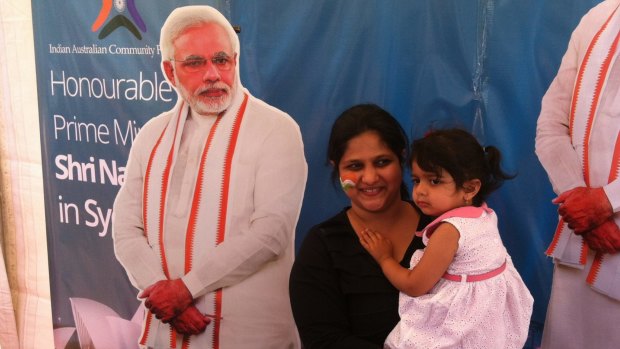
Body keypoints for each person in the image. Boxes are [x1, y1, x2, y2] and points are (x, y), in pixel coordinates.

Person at [112, 5, 307, 348]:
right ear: (170, 72)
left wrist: (185, 289)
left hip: (249, 334)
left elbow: (272, 232)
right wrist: (165, 296)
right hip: (166, 327)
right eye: (195, 63)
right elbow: (126, 228)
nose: (213, 74)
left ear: (235, 60)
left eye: (221, 60)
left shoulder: (276, 129)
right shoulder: (152, 135)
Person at [360, 129, 533, 348]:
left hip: (460, 323)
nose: (420, 191)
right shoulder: (484, 214)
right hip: (489, 321)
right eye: (416, 180)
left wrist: (385, 258)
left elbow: (415, 285)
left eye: (434, 181)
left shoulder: (450, 231)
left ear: (469, 189)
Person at [289, 104, 433, 348]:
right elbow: (323, 341)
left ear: (402, 158)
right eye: (355, 166)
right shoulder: (322, 246)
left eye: (382, 162)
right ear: (337, 168)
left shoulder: (445, 227)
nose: (369, 178)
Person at [535, 1, 620, 347]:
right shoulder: (599, 18)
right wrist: (582, 204)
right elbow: (550, 127)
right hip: (584, 240)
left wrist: (607, 201)